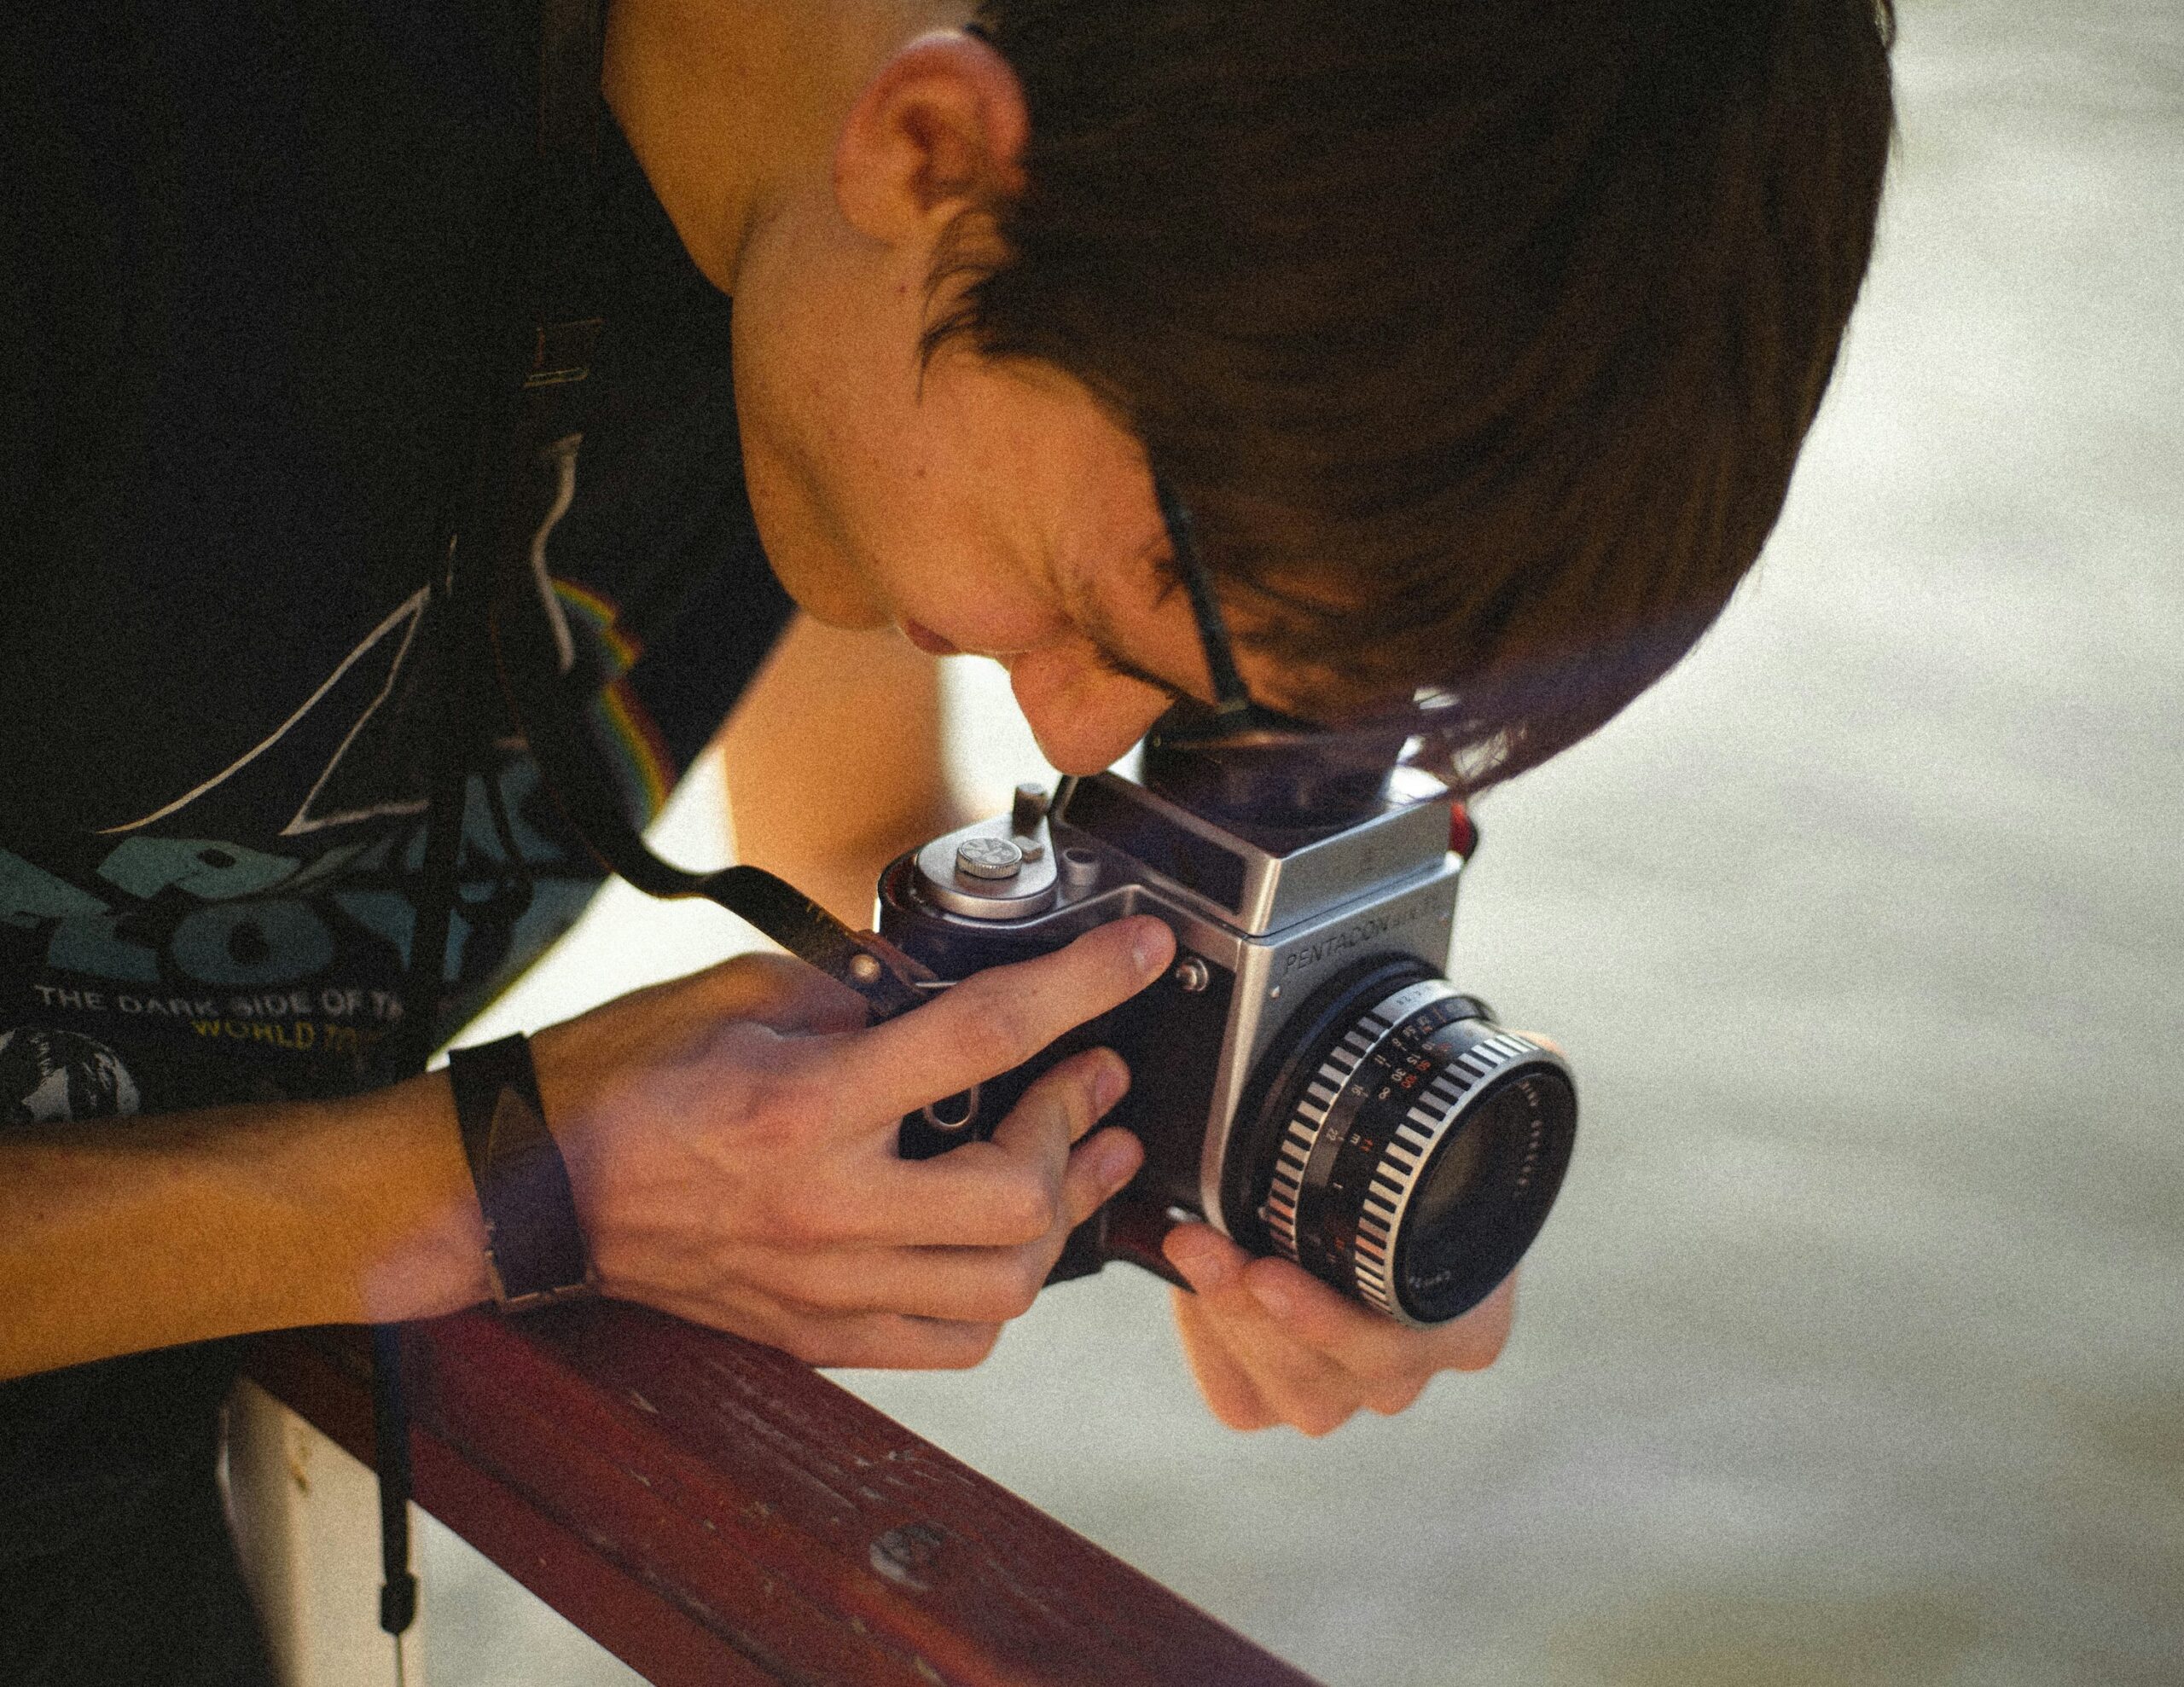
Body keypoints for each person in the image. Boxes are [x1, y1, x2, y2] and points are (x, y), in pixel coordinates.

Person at [0, 0, 1896, 1679]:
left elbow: (858, 844)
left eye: (1191, 691)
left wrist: (1242, 1124)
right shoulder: (112, 129)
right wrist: (493, 1175)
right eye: (1094, 604)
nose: (1068, 725)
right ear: (929, 153)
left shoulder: (842, 305)